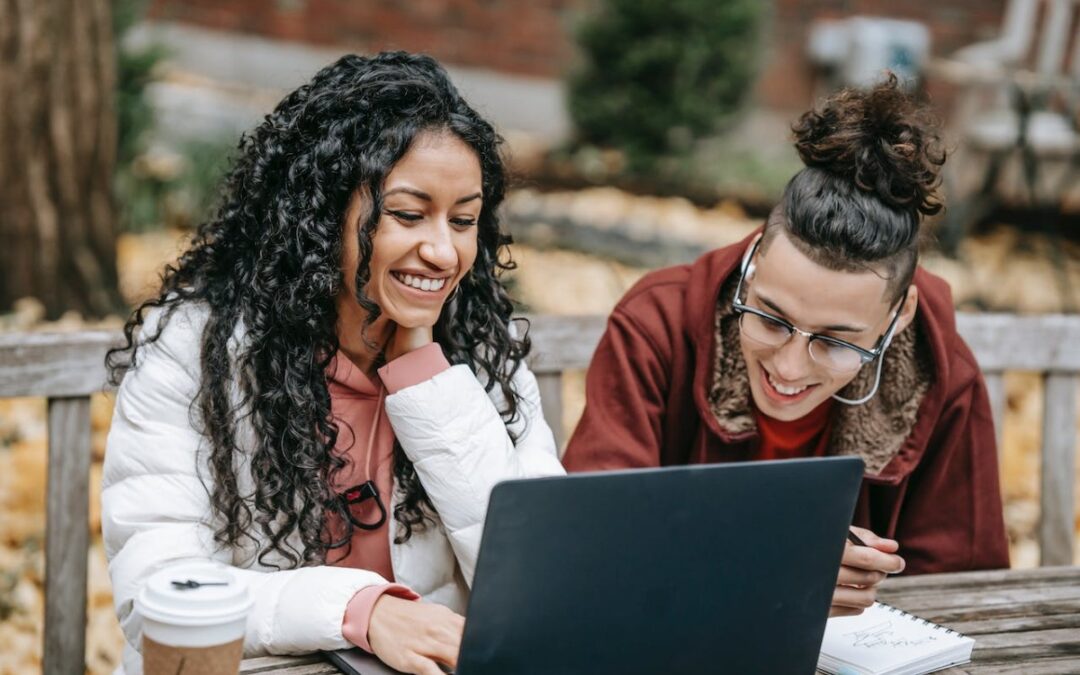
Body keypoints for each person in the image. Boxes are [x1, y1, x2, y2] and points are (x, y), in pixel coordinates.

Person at [102, 52, 564, 675]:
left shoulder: (482, 352)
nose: (441, 250)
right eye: (406, 214)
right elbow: (160, 591)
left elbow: (543, 587)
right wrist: (362, 610)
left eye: (463, 221)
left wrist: (427, 380)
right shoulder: (198, 349)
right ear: (323, 216)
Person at [563, 75, 1010, 617]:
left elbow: (965, 592)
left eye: (836, 343)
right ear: (751, 267)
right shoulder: (657, 323)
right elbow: (594, 535)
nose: (790, 367)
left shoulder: (940, 371)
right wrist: (771, 563)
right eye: (771, 320)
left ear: (900, 317)